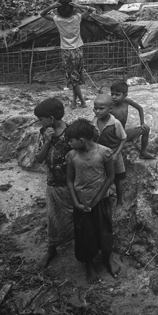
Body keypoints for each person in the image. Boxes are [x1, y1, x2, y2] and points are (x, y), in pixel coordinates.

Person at [65, 119, 117, 284]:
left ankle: (107, 259)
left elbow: (110, 177)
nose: (68, 143)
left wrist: (97, 199)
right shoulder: (71, 156)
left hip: (101, 202)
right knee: (84, 234)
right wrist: (76, 203)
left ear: (81, 140)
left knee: (105, 232)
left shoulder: (104, 153)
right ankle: (89, 264)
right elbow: (69, 181)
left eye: (70, 140)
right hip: (81, 204)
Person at [32, 97, 72, 268]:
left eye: (41, 119)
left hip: (71, 184)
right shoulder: (44, 133)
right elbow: (39, 158)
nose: (39, 122)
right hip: (53, 183)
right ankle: (52, 248)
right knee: (53, 216)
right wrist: (47, 142)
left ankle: (77, 244)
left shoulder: (71, 133)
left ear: (51, 118)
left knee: (74, 215)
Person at [39, 0, 96, 109]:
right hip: (78, 51)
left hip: (67, 53)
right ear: (72, 9)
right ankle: (74, 101)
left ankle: (83, 102)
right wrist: (78, 5)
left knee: (73, 80)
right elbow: (92, 10)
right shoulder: (77, 18)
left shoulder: (57, 20)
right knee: (75, 78)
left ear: (59, 9)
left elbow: (42, 14)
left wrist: (52, 6)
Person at [92, 94, 128, 212]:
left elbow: (123, 139)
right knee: (102, 178)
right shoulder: (94, 121)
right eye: (95, 108)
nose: (97, 111)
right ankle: (104, 200)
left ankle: (119, 201)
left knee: (118, 179)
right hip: (100, 157)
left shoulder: (115, 123)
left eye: (101, 109)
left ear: (110, 109)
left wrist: (117, 154)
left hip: (114, 156)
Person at [109, 80, 155, 160]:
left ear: (125, 95)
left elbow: (140, 108)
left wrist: (142, 123)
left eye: (117, 95)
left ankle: (143, 152)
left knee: (146, 129)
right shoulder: (109, 104)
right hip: (111, 136)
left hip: (123, 133)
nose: (114, 97)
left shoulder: (126, 101)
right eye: (112, 94)